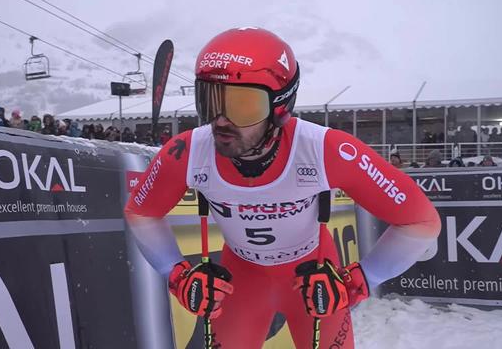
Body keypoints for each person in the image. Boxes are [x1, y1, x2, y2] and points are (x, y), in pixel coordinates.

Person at [124, 27, 440, 349]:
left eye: (242, 105)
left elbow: (421, 221)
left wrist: (359, 281)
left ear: (281, 107)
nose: (220, 120)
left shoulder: (325, 149)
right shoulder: (186, 152)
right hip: (243, 280)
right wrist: (176, 275)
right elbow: (140, 211)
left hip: (310, 275)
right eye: (210, 100)